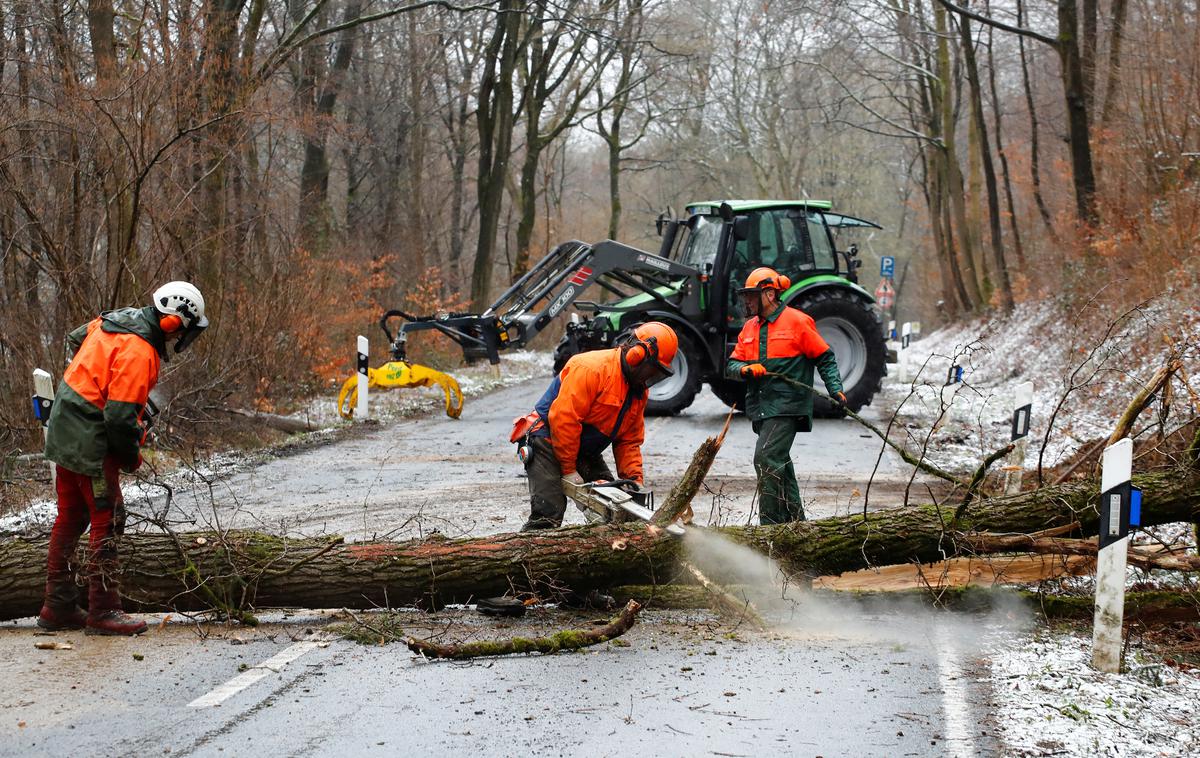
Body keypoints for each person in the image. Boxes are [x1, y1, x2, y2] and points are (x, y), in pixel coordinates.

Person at [38, 281, 209, 635]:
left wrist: (101, 374)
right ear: (173, 322)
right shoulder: (141, 351)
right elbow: (117, 419)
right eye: (182, 331)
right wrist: (132, 454)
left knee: (70, 517)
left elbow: (75, 338)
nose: (178, 338)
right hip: (90, 438)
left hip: (64, 424)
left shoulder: (115, 320)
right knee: (109, 518)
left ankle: (57, 607)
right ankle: (103, 610)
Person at [518, 322, 678, 531]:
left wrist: (633, 480)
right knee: (549, 513)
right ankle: (531, 554)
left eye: (657, 373)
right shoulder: (592, 369)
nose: (650, 377)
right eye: (651, 369)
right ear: (636, 355)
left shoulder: (638, 391)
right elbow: (563, 419)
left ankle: (610, 552)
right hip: (546, 438)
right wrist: (569, 470)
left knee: (615, 504)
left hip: (582, 446)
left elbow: (629, 440)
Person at [726, 268, 846, 524]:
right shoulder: (748, 328)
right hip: (760, 406)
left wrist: (835, 388)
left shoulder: (798, 322)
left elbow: (824, 357)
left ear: (769, 294)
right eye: (745, 296)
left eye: (752, 295)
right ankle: (796, 522)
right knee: (781, 463)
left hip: (787, 405)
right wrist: (745, 369)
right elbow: (732, 366)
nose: (747, 301)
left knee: (766, 457)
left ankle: (769, 527)